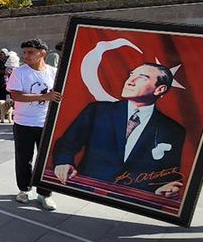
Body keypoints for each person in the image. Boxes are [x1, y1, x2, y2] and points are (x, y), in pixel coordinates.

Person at [52, 63, 185, 195]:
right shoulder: (98, 111)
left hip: (134, 202)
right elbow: (66, 144)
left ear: (159, 89)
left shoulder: (173, 130)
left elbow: (168, 171)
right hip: (87, 191)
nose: (130, 81)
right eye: (132, 75)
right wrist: (63, 162)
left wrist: (163, 188)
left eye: (142, 77)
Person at [7, 39, 61, 210]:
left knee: (46, 160)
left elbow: (59, 95)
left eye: (30, 52)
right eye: (24, 52)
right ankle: (24, 189)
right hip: (24, 122)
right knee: (24, 158)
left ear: (42, 53)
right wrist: (44, 97)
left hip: (46, 122)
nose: (26, 56)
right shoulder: (19, 72)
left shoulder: (54, 72)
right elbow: (16, 95)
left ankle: (45, 194)